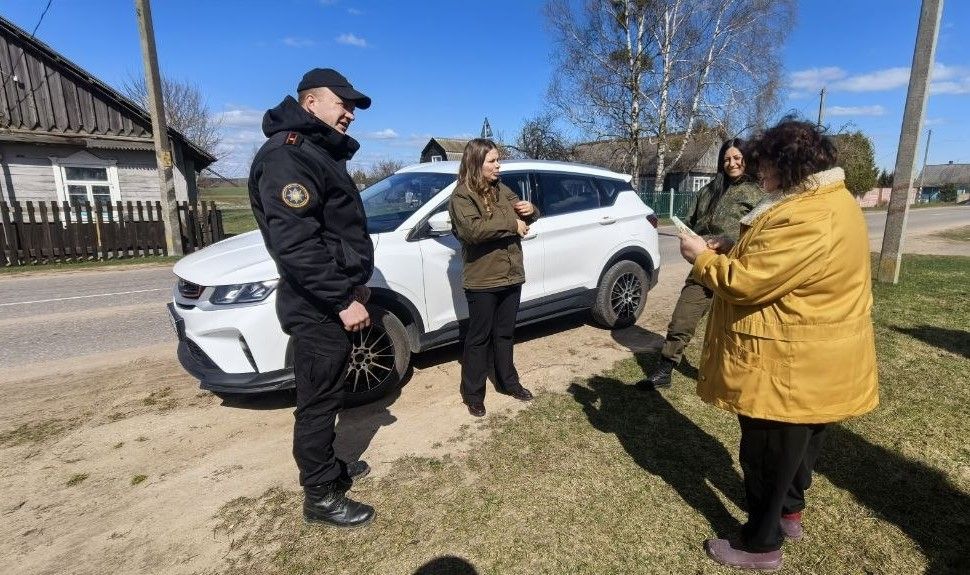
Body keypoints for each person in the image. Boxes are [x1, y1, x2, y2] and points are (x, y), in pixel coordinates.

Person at [678, 119, 879, 570]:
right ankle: (789, 514)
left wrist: (703, 258)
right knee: (796, 449)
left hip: (787, 361)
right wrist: (734, 243)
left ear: (789, 167)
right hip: (812, 357)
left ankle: (759, 545)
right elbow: (782, 261)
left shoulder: (809, 214)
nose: (757, 174)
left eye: (764, 166)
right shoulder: (825, 201)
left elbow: (748, 283)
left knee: (766, 453)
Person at [248, 68, 376, 528]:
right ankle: (320, 495)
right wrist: (342, 299)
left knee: (329, 393)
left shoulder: (316, 153)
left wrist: (353, 284)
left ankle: (328, 470)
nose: (349, 115)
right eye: (342, 104)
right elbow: (297, 245)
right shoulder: (289, 158)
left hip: (328, 298)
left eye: (352, 108)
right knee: (318, 402)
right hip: (316, 306)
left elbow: (330, 233)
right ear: (311, 104)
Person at [638, 138, 764, 389]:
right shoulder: (709, 190)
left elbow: (762, 234)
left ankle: (739, 377)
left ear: (747, 159)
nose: (732, 164)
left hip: (737, 268)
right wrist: (689, 235)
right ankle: (665, 370)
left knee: (737, 327)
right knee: (683, 316)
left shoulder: (758, 194)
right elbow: (689, 219)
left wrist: (731, 242)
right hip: (704, 264)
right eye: (727, 159)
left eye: (737, 158)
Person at [448, 138, 540, 417]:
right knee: (478, 338)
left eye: (498, 160)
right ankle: (473, 394)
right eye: (492, 161)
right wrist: (512, 223)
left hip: (511, 274)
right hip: (483, 280)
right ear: (476, 163)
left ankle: (508, 382)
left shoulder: (502, 189)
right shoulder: (461, 196)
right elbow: (473, 232)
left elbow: (528, 215)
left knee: (505, 334)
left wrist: (530, 210)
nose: (498, 165)